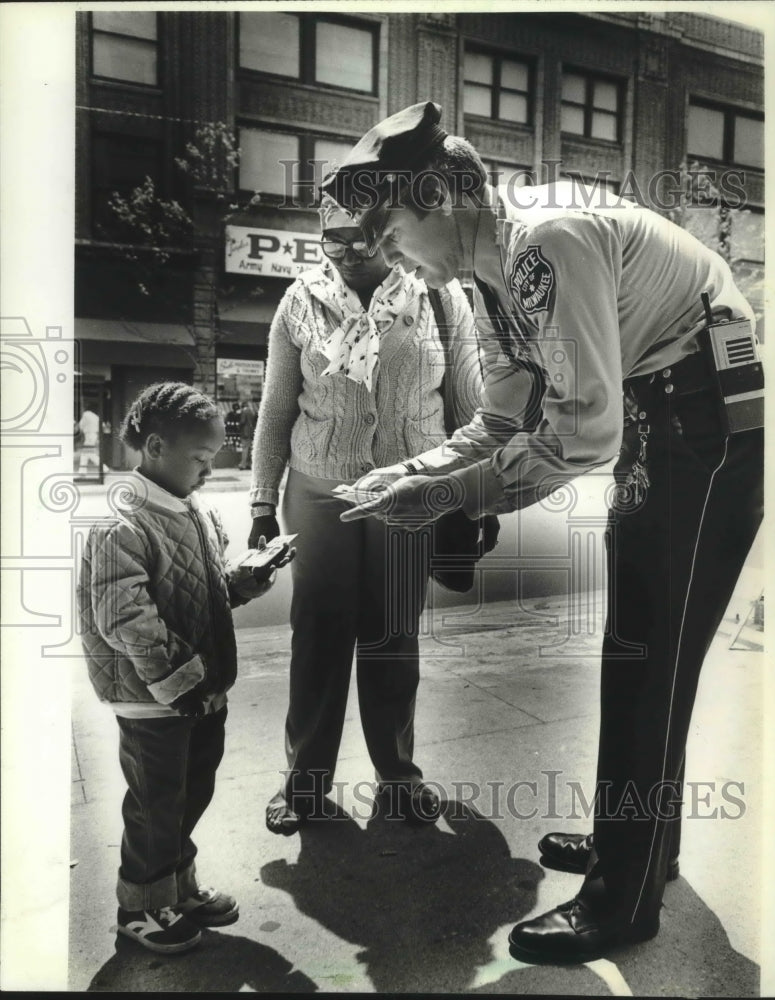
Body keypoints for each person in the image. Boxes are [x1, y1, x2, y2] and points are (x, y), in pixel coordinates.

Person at [322, 102, 764, 961]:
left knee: (647, 659)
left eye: (395, 234)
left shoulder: (542, 245)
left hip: (705, 422)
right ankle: (636, 848)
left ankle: (622, 899)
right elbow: (505, 417)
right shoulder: (493, 274)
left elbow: (581, 436)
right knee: (640, 654)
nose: (395, 259)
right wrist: (416, 475)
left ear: (442, 199)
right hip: (666, 412)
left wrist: (456, 501)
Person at [248, 194, 489, 836]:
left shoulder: (440, 298)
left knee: (393, 638)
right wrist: (260, 503)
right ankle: (305, 786)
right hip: (320, 492)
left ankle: (398, 778)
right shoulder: (298, 302)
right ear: (319, 238)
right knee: (318, 637)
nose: (351, 251)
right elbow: (276, 413)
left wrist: (472, 495)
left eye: (365, 237)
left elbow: (468, 405)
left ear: (389, 233)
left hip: (409, 494)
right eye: (335, 239)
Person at [77, 381, 294, 955]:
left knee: (190, 790)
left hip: (196, 689)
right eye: (199, 459)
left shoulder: (188, 507)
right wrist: (179, 684)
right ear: (154, 446)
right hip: (153, 697)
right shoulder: (120, 521)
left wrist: (241, 584)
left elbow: (203, 586)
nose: (207, 470)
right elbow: (126, 617)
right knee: (156, 802)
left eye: (212, 459)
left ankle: (177, 886)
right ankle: (140, 908)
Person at [77, 405, 101, 473]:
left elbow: (81, 426)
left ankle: (104, 468)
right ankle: (82, 471)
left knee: (89, 453)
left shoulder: (86, 414)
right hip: (94, 435)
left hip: (89, 435)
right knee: (85, 453)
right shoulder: (96, 417)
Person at [238, 400, 256, 469]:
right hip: (251, 432)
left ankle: (243, 465)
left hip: (245, 432)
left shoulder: (244, 411)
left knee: (244, 448)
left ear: (242, 406)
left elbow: (242, 421)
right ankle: (249, 464)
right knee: (249, 449)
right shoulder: (251, 411)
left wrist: (238, 426)